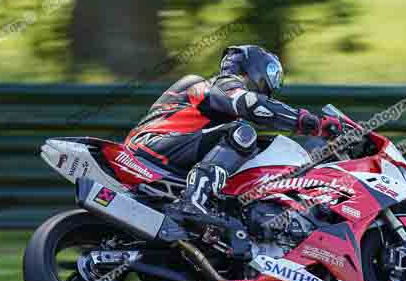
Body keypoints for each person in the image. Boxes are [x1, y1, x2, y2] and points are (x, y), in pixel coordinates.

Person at [125, 45, 342, 252]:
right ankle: (194, 200)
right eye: (272, 75)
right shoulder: (221, 84)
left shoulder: (216, 99)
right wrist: (311, 123)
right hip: (152, 146)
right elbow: (252, 104)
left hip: (164, 153)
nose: (271, 87)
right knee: (242, 133)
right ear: (256, 68)